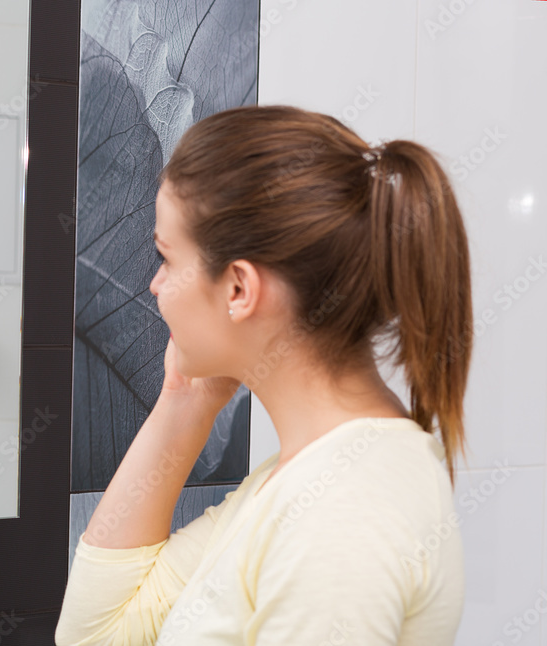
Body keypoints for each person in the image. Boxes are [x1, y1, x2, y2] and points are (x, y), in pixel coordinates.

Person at [56, 105, 470, 645]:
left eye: (167, 259)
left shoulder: (342, 512)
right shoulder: (300, 478)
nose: (155, 285)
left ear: (239, 289)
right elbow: (99, 635)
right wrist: (185, 402)